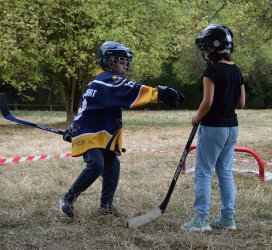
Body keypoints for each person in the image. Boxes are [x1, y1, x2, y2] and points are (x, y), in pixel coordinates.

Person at [59, 41, 184, 218]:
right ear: (108, 62)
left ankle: (106, 206)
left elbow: (85, 109)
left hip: (101, 134)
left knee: (112, 165)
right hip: (90, 133)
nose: (125, 66)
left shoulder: (97, 83)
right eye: (121, 62)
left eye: (126, 63)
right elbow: (130, 90)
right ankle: (68, 199)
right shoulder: (105, 82)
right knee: (96, 164)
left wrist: (72, 128)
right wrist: (160, 94)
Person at [181, 24, 245, 232]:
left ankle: (201, 219)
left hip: (213, 127)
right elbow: (241, 103)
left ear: (212, 48)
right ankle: (228, 218)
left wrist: (196, 117)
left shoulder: (211, 70)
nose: (203, 52)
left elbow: (207, 102)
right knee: (225, 172)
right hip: (231, 127)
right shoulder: (236, 70)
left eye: (205, 48)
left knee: (203, 172)